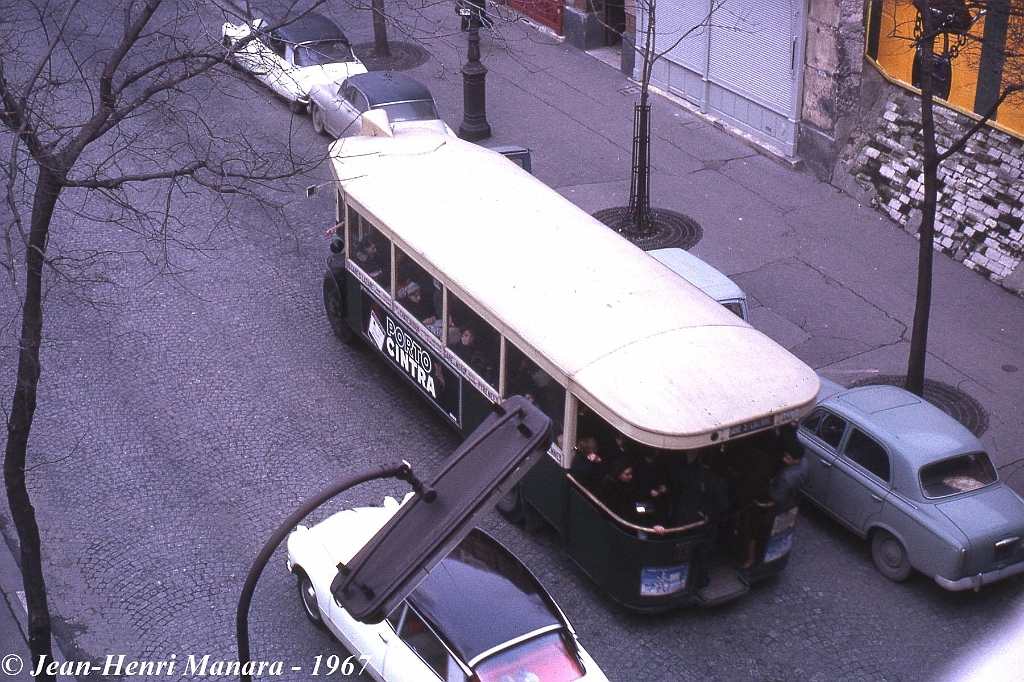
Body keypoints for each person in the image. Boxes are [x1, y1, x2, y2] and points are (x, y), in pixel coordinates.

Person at [738, 440, 808, 570]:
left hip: (775, 509)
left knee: (755, 530)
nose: (784, 459)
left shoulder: (786, 477)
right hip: (789, 502)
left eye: (788, 458)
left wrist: (769, 484)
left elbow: (776, 497)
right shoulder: (804, 465)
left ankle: (752, 560)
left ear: (796, 461)